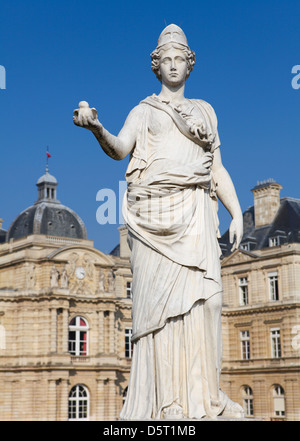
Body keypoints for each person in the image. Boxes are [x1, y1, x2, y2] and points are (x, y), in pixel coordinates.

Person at [73, 24, 244, 420]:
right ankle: (168, 403)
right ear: (156, 65)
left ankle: (205, 398)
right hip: (154, 218)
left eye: (178, 59)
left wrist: (236, 213)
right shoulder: (143, 110)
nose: (171, 65)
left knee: (210, 302)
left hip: (198, 209)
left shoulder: (206, 111)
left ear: (189, 64)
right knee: (162, 312)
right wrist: (97, 127)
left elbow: (216, 169)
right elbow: (119, 150)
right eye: (164, 59)